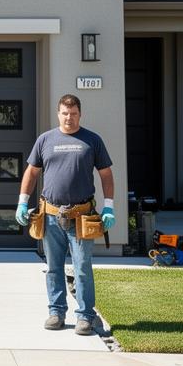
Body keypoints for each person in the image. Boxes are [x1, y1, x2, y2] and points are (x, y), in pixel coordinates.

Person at [15, 94, 115, 336]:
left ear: (80, 114)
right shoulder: (45, 140)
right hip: (50, 216)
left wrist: (109, 206)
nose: (69, 118)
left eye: (73, 113)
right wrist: (22, 202)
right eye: (65, 113)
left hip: (82, 217)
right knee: (53, 267)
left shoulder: (92, 140)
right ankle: (56, 312)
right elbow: (31, 172)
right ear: (58, 113)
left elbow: (106, 174)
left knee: (82, 267)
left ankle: (85, 316)